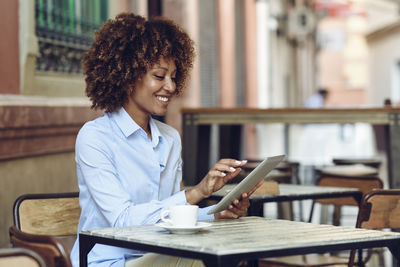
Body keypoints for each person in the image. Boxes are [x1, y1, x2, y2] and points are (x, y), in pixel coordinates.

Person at [70, 13, 263, 267]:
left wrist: (218, 215)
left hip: (158, 256)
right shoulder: (95, 138)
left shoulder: (169, 139)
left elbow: (170, 220)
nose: (170, 86)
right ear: (127, 76)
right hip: (108, 261)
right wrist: (198, 192)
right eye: (160, 76)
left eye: (174, 76)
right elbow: (122, 221)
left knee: (207, 252)